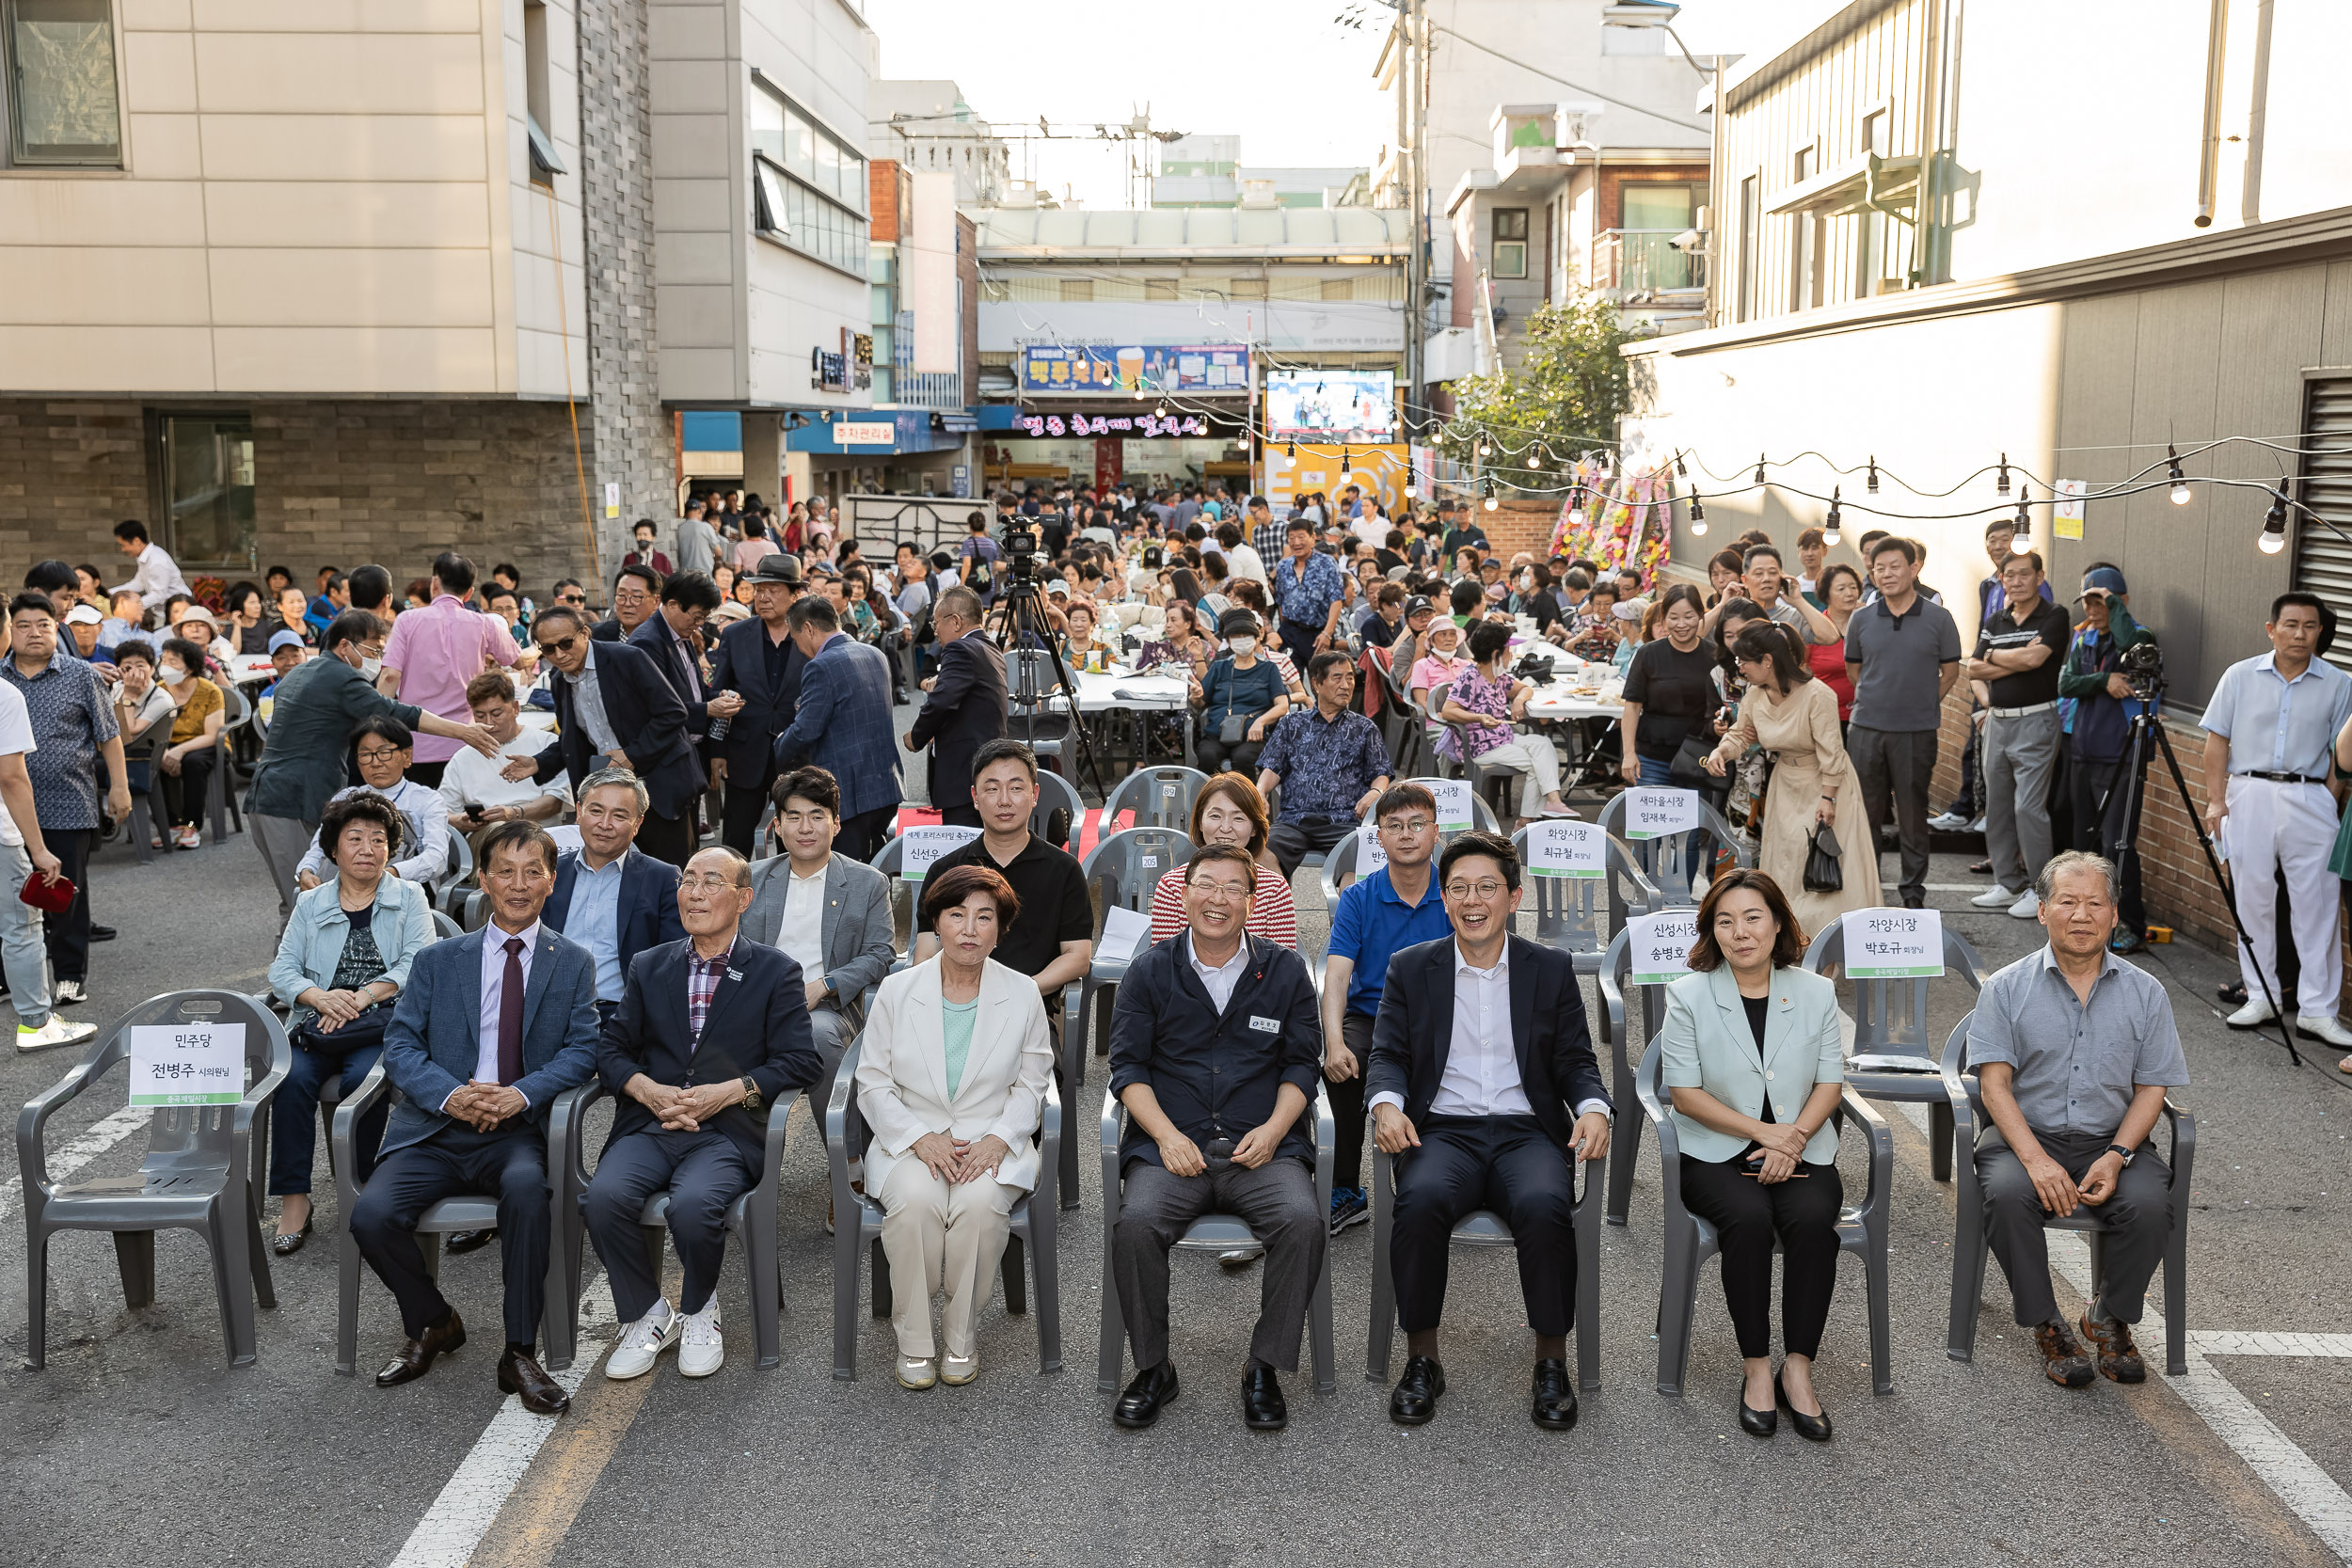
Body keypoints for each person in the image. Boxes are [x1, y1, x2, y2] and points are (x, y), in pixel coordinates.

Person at [350, 821, 600, 1415]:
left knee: (525, 1192)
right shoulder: (439, 960)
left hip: (514, 1132)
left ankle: (518, 1351)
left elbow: (583, 1049)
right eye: (504, 872)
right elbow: (402, 1045)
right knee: (372, 1216)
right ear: (482, 879)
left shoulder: (573, 962)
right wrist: (451, 1096)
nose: (518, 885)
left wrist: (520, 1094)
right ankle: (434, 1321)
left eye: (532, 871)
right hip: (435, 1129)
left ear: (551, 879)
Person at [1367, 831, 1612, 1430]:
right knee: (1419, 1202)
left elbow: (1577, 1060)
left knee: (1543, 1204)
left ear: (1514, 896)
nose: (1472, 901)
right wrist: (1387, 1105)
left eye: (1487, 888)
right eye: (1458, 889)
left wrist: (1594, 1108)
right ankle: (1423, 1357)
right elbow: (1387, 1054)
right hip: (1442, 1130)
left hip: (1526, 1129)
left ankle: (1551, 1359)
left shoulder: (1549, 969)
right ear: (1442, 899)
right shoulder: (1411, 967)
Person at [1105, 844, 1324, 1430]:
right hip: (1172, 1147)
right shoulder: (1151, 970)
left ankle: (1264, 1367)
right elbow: (1127, 1070)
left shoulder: (1283, 971)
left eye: (1233, 888)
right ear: (1184, 893)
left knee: (1302, 1222)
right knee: (1137, 1224)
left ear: (1252, 902)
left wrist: (1276, 1131)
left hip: (1263, 1148)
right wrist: (1168, 1137)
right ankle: (1153, 1367)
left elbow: (1303, 1066)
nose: (1218, 899)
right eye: (1207, 885)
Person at [587, 846, 819, 1382]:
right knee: (602, 1199)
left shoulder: (775, 971)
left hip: (726, 1131)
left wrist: (731, 1091)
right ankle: (647, 1313)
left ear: (743, 898)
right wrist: (646, 1090)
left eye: (710, 881)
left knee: (693, 1207)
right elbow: (612, 1048)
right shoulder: (651, 965)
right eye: (687, 879)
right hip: (652, 1122)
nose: (693, 891)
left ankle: (699, 1310)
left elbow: (800, 1060)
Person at [1967, 851, 2188, 1386]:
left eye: (2096, 903)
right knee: (2006, 1193)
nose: (2082, 915)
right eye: (2068, 902)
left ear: (2115, 916)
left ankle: (2107, 1315)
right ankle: (2047, 1324)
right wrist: (2036, 1160)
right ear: (2042, 911)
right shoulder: (2005, 987)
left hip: (2113, 1140)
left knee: (2149, 1203)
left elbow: (2151, 1088)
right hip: (2026, 1137)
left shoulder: (2146, 993)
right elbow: (1994, 1086)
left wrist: (2117, 1156)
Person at [1659, 869, 1847, 1439]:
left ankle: (1800, 1368)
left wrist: (1792, 1138)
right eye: (1724, 921)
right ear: (1711, 932)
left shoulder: (1815, 991)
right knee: (1748, 1218)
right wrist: (1765, 1134)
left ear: (1777, 924)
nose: (1740, 932)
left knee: (1813, 1219)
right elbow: (1684, 1094)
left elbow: (1830, 1084)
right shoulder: (1688, 994)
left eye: (1752, 917)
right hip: (1716, 1151)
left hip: (1803, 1146)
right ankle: (1757, 1369)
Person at [854, 863, 1053, 1388]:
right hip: (910, 1139)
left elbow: (1032, 1085)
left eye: (984, 917)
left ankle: (961, 1335)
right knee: (916, 1203)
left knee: (979, 1206)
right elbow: (872, 1083)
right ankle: (916, 1342)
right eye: (956, 915)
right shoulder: (898, 991)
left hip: (991, 1139)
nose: (969, 929)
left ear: (1000, 928)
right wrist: (919, 1138)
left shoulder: (1024, 993)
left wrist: (999, 1140)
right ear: (936, 922)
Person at [265, 791, 434, 1255]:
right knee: (292, 1078)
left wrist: (360, 998)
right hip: (318, 1020)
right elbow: (282, 972)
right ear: (334, 849)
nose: (367, 849)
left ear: (391, 848)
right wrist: (320, 997)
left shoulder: (410, 895)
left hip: (380, 1022)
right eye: (354, 838)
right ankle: (295, 1200)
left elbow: (419, 962)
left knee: (363, 1079)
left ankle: (363, 1191)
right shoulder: (311, 902)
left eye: (378, 839)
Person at [2201, 592, 2352, 1045]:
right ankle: (2262, 996)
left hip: (2311, 798)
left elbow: (2341, 752)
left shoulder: (2339, 683)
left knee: (2319, 905)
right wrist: (2215, 801)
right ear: (2272, 629)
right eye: (2290, 625)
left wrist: (2329, 797)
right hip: (2248, 793)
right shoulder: (2239, 675)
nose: (2300, 634)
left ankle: (2318, 1011)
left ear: (2319, 632)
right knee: (2253, 900)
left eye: (2309, 626)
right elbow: (2216, 743)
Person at [1319, 783, 1451, 1235]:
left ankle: (1432, 1180)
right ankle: (1345, 1189)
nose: (1407, 834)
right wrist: (1333, 1043)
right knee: (1343, 1067)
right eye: (1394, 826)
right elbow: (1336, 974)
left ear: (1437, 832)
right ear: (1378, 837)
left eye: (1418, 824)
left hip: (1444, 1016)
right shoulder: (1359, 896)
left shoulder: (1456, 895)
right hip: (1371, 1016)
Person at [914, 741, 1091, 1055]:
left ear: (1034, 795)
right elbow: (927, 953)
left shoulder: (1063, 870)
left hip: (1026, 1010)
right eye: (992, 789)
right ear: (975, 798)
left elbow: (1077, 956)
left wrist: (1021, 991)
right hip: (951, 1007)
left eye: (1016, 788)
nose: (1005, 801)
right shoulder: (946, 870)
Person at [1703, 625, 1881, 930]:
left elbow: (1832, 751)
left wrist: (1828, 798)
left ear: (1768, 661)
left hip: (1826, 782)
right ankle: (1792, 943)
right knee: (1787, 866)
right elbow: (1741, 734)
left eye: (1744, 661)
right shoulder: (1756, 695)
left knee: (1822, 866)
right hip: (1786, 783)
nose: (1739, 667)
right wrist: (1721, 752)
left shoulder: (1817, 695)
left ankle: (1826, 953)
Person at [3, 593, 129, 1004]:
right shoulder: (1, 679)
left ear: (56, 628)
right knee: (11, 890)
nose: (34, 633)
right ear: (10, 630)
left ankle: (69, 974)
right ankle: (11, 975)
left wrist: (120, 787)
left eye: (43, 624)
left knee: (65, 892)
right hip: (7, 808)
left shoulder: (82, 674)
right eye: (23, 625)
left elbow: (109, 735)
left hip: (68, 800)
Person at [743, 766, 897, 1092]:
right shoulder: (750, 880)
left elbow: (881, 952)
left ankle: (848, 1143)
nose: (805, 828)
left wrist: (825, 985)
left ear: (836, 823)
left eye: (816, 816)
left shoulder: (867, 883)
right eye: (794, 817)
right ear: (778, 826)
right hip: (753, 1004)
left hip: (824, 1008)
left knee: (816, 1036)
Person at [521, 604, 701, 867]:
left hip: (660, 783)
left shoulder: (626, 658)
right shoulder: (559, 680)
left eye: (566, 643)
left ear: (585, 633)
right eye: (549, 649)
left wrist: (631, 755)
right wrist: (538, 762)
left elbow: (673, 713)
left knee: (671, 871)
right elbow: (576, 740)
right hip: (610, 794)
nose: (559, 654)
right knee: (621, 872)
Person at [1844, 537, 1963, 910]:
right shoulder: (1861, 618)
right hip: (1866, 729)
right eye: (1879, 568)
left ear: (1913, 569)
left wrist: (1923, 702)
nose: (1887, 573)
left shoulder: (1938, 618)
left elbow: (1950, 671)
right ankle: (1867, 891)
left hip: (1916, 732)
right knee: (1865, 814)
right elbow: (1854, 670)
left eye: (1895, 566)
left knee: (1913, 813)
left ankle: (1913, 892)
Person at [1962, 550, 2074, 920]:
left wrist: (1996, 657)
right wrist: (2009, 657)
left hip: (2036, 721)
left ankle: (2040, 891)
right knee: (1997, 806)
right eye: (2009, 575)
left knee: (2028, 808)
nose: (2016, 581)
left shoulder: (2054, 616)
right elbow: (1974, 668)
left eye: (2024, 574)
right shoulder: (1996, 619)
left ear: (2040, 577)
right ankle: (2007, 882)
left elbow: (2035, 660)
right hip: (1998, 719)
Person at [546, 768, 688, 1028]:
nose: (605, 824)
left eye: (619, 815)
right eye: (596, 811)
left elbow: (674, 958)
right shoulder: (549, 875)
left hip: (624, 1016)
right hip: (551, 1012)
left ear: (638, 824)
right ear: (579, 812)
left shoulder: (662, 878)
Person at [2060, 567, 2155, 954]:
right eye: (2088, 600)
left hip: (2122, 752)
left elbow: (2134, 652)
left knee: (2119, 843)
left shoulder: (2140, 637)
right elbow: (2067, 684)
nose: (2094, 608)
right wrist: (2102, 681)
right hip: (2082, 748)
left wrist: (2116, 609)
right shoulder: (2082, 638)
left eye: (2102, 600)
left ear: (2121, 601)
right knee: (2083, 841)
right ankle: (2084, 920)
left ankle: (2129, 923)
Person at [771, 597, 902, 862]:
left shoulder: (822, 665)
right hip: (885, 784)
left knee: (848, 874)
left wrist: (780, 745)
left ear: (808, 628)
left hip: (848, 790)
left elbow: (806, 730)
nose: (798, 647)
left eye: (796, 639)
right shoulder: (875, 654)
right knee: (876, 868)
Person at [373, 553, 517, 789]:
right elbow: (514, 658)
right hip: (468, 740)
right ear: (469, 592)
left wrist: (376, 723)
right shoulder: (484, 623)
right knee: (465, 817)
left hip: (418, 742)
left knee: (420, 816)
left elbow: (390, 676)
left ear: (435, 583)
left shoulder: (407, 620)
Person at [1255, 651, 1393, 879]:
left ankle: (1345, 914)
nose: (1346, 685)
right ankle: (1282, 912)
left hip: (1345, 820)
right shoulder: (1292, 724)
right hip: (1294, 820)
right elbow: (1272, 767)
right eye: (1337, 678)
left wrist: (1376, 792)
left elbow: (1380, 772)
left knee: (1357, 862)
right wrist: (1260, 790)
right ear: (1316, 685)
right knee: (1261, 852)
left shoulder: (1364, 728)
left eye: (1349, 678)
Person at [707, 553, 808, 855]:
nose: (762, 598)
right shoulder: (736, 635)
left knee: (793, 840)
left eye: (773, 591)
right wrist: (717, 750)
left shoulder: (810, 635)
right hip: (743, 753)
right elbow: (719, 692)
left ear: (795, 595)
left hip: (796, 756)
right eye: (759, 590)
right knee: (735, 841)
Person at [1435, 620, 1576, 826]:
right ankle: (1526, 821)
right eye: (1508, 651)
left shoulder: (1499, 677)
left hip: (1504, 738)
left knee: (1543, 744)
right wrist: (1479, 717)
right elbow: (1448, 710)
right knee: (1538, 765)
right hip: (1481, 746)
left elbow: (1525, 688)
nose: (1511, 656)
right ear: (1495, 655)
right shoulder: (1470, 677)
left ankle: (1552, 802)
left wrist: (1518, 699)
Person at [295, 716, 451, 891]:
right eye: (366, 755)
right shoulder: (345, 797)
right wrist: (306, 870)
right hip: (346, 888)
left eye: (384, 753)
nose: (376, 763)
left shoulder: (427, 800)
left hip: (405, 888)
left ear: (407, 755)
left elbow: (436, 857)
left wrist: (392, 873)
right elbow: (319, 846)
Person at [1146, 771, 1296, 946]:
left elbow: (1284, 968)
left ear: (1254, 828)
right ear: (1200, 822)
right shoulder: (1171, 886)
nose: (1225, 828)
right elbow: (1163, 965)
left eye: (1238, 818)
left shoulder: (1275, 889)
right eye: (1215, 816)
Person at [903, 585, 1008, 830]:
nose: (935, 630)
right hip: (985, 762)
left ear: (956, 621)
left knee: (963, 850)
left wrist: (916, 737)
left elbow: (942, 702)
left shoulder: (959, 649)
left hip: (965, 771)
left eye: (936, 623)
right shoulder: (989, 647)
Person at [439, 671, 571, 853]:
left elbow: (555, 802)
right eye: (480, 715)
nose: (489, 723)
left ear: (515, 708)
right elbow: (443, 812)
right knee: (499, 833)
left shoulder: (546, 744)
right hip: (487, 838)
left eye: (496, 713)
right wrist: (460, 821)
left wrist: (513, 813)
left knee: (512, 836)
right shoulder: (463, 758)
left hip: (541, 834)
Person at [631, 570, 740, 762]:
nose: (699, 625)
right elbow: (656, 709)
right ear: (672, 604)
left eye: (704, 619)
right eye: (697, 617)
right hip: (666, 756)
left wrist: (717, 697)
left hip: (691, 749)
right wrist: (708, 709)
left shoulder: (682, 633)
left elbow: (693, 689)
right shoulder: (647, 643)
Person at [1191, 609, 1291, 777]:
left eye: (1246, 635)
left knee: (1243, 758)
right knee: (1207, 756)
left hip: (1252, 736)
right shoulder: (1219, 667)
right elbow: (1200, 702)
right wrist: (1196, 696)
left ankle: (1246, 802)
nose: (1242, 640)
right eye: (1236, 636)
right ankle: (1211, 800)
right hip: (1218, 733)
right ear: (1228, 641)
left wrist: (1261, 721)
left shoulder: (1268, 668)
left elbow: (1282, 705)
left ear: (1257, 638)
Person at [148, 634, 224, 850]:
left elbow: (211, 735)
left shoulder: (209, 691)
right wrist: (163, 753)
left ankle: (191, 825)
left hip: (205, 744)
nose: (165, 666)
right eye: (164, 660)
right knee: (154, 762)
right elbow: (150, 729)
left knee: (193, 763)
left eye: (173, 662)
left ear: (189, 667)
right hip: (167, 744)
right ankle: (170, 825)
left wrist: (179, 751)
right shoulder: (158, 691)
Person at [1270, 518, 1346, 675]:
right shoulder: (1283, 566)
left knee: (1321, 683)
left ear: (1312, 538)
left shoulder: (1327, 563)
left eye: (1301, 537)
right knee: (1289, 681)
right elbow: (1281, 601)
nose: (1296, 542)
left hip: (1318, 634)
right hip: (1290, 632)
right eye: (1291, 538)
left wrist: (1327, 633)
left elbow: (1336, 600)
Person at [1807, 562, 1864, 723]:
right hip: (1823, 718)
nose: (1850, 593)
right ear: (1826, 595)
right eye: (1841, 589)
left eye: (1853, 587)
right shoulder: (1814, 629)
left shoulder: (1867, 627)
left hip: (1863, 716)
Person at [110, 518, 190, 610]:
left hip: (181, 609)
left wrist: (133, 607)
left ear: (136, 541)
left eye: (123, 545)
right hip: (167, 609)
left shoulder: (156, 561)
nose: (123, 550)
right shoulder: (146, 557)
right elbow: (138, 584)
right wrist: (110, 593)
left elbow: (159, 595)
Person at [594, 564, 662, 645]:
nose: (628, 604)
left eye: (636, 597)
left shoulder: (667, 639)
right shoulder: (593, 636)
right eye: (621, 595)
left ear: (656, 601)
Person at [675, 499, 722, 578]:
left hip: (685, 576)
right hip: (704, 574)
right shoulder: (706, 527)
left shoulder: (680, 529)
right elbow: (719, 552)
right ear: (699, 512)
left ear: (686, 513)